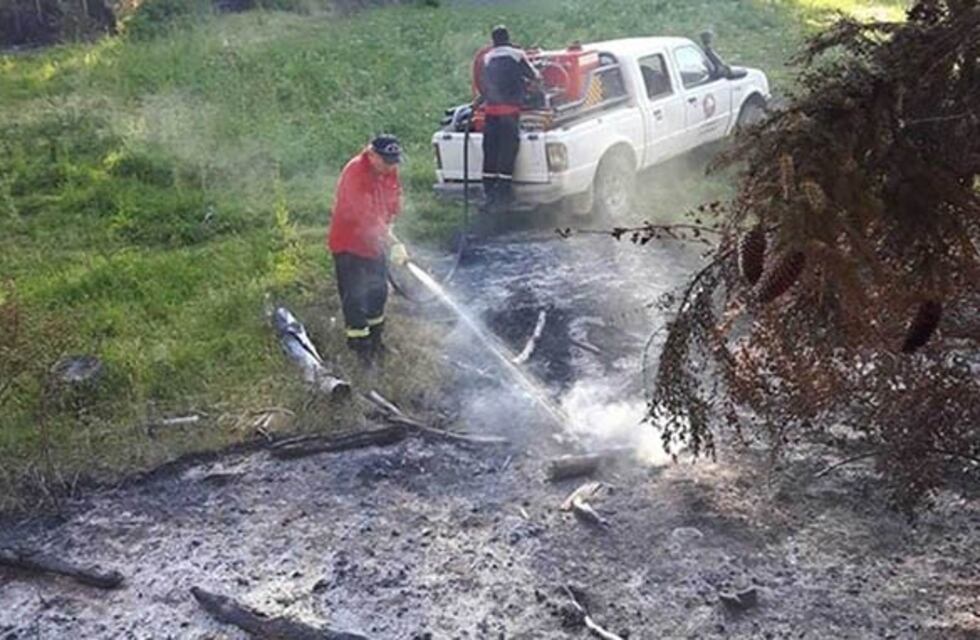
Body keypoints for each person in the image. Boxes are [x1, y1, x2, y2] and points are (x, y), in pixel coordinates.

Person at [327, 135, 410, 369]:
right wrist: (392, 240)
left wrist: (391, 221)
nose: (391, 167)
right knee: (355, 296)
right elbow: (362, 215)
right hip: (349, 243)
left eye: (394, 162)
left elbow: (393, 196)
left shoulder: (388, 169)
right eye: (386, 161)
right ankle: (360, 349)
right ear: (372, 155)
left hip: (375, 243)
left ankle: (376, 341)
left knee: (378, 292)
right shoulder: (355, 172)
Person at [478, 25, 540, 212]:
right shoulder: (517, 54)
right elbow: (534, 75)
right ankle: (504, 194)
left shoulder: (487, 57)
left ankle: (489, 194)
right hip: (509, 112)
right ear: (508, 37)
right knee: (508, 150)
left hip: (490, 112)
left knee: (490, 151)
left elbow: (483, 83)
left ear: (493, 40)